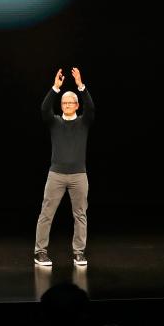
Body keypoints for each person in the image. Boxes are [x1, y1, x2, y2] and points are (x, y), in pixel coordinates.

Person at [34, 67, 95, 267]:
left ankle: (79, 253)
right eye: (64, 102)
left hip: (79, 175)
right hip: (56, 175)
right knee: (46, 214)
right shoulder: (55, 123)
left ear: (77, 105)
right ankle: (40, 252)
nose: (67, 105)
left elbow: (91, 108)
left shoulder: (83, 122)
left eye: (71, 102)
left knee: (80, 215)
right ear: (61, 105)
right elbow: (44, 109)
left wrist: (80, 86)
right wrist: (55, 88)